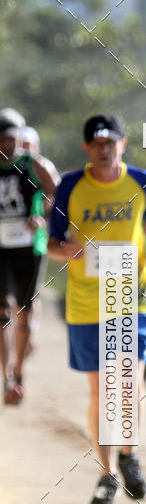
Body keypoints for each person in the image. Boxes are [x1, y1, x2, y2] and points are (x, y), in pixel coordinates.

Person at [48, 114, 146, 504]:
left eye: (110, 142)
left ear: (123, 143)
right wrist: (63, 250)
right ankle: (106, 475)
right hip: (86, 300)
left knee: (129, 381)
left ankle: (129, 455)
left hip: (131, 293)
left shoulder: (143, 181)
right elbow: (50, 243)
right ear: (87, 148)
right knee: (101, 390)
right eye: (97, 143)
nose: (104, 149)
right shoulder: (70, 185)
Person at [0, 117, 57, 403]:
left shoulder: (33, 165)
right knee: (3, 312)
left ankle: (19, 372)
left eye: (12, 140)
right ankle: (7, 378)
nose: (7, 146)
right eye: (2, 140)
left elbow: (57, 192)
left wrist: (42, 216)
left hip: (29, 248)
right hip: (1, 250)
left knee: (24, 309)